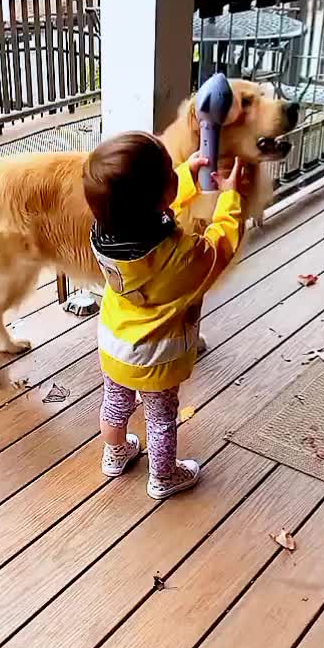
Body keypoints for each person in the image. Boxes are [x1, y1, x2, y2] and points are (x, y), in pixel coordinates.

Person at [82, 131, 244, 499]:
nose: (177, 172)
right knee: (160, 419)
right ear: (161, 197)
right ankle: (163, 477)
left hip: (114, 343)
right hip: (157, 355)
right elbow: (220, 246)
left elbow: (144, 207)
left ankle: (115, 453)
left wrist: (183, 176)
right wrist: (230, 198)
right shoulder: (182, 254)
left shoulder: (103, 233)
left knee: (115, 403)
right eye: (172, 172)